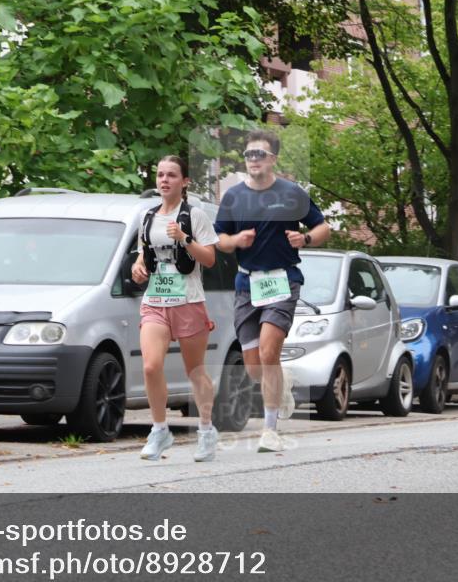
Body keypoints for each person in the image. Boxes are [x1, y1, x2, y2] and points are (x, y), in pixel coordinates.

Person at [214, 129, 331, 452]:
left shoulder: (292, 193)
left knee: (269, 352)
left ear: (273, 159)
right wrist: (236, 241)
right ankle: (282, 383)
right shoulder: (234, 196)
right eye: (249, 154)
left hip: (282, 281)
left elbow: (323, 227)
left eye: (259, 154)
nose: (253, 160)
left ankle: (270, 430)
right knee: (254, 366)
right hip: (246, 284)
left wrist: (305, 239)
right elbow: (220, 239)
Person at [133, 156, 221, 461]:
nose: (164, 180)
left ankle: (207, 431)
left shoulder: (195, 216)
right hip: (155, 302)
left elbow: (209, 259)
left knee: (194, 371)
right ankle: (160, 430)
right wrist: (138, 268)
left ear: (184, 182)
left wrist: (184, 239)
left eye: (171, 175)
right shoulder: (147, 217)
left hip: (188, 302)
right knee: (150, 366)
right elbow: (143, 255)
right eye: (160, 175)